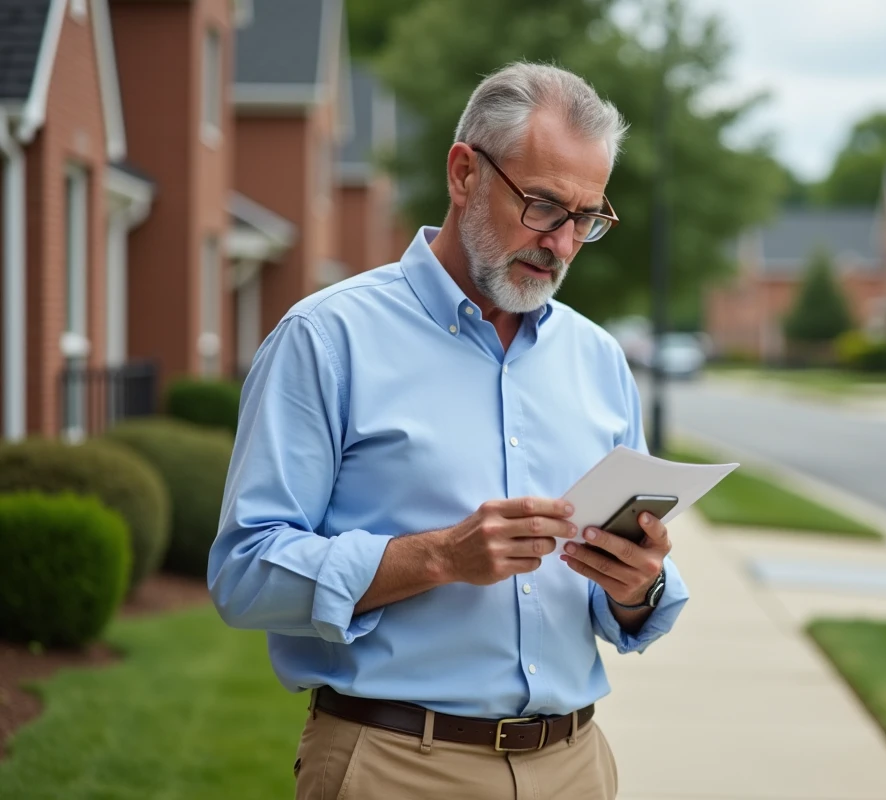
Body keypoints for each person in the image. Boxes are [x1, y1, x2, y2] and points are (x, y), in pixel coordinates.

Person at [208, 62, 689, 800]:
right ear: (464, 172)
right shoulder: (326, 339)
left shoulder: (598, 360)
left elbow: (610, 594)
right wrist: (438, 557)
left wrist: (636, 585)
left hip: (576, 765)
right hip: (395, 765)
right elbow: (245, 574)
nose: (562, 245)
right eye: (543, 206)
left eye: (586, 219)